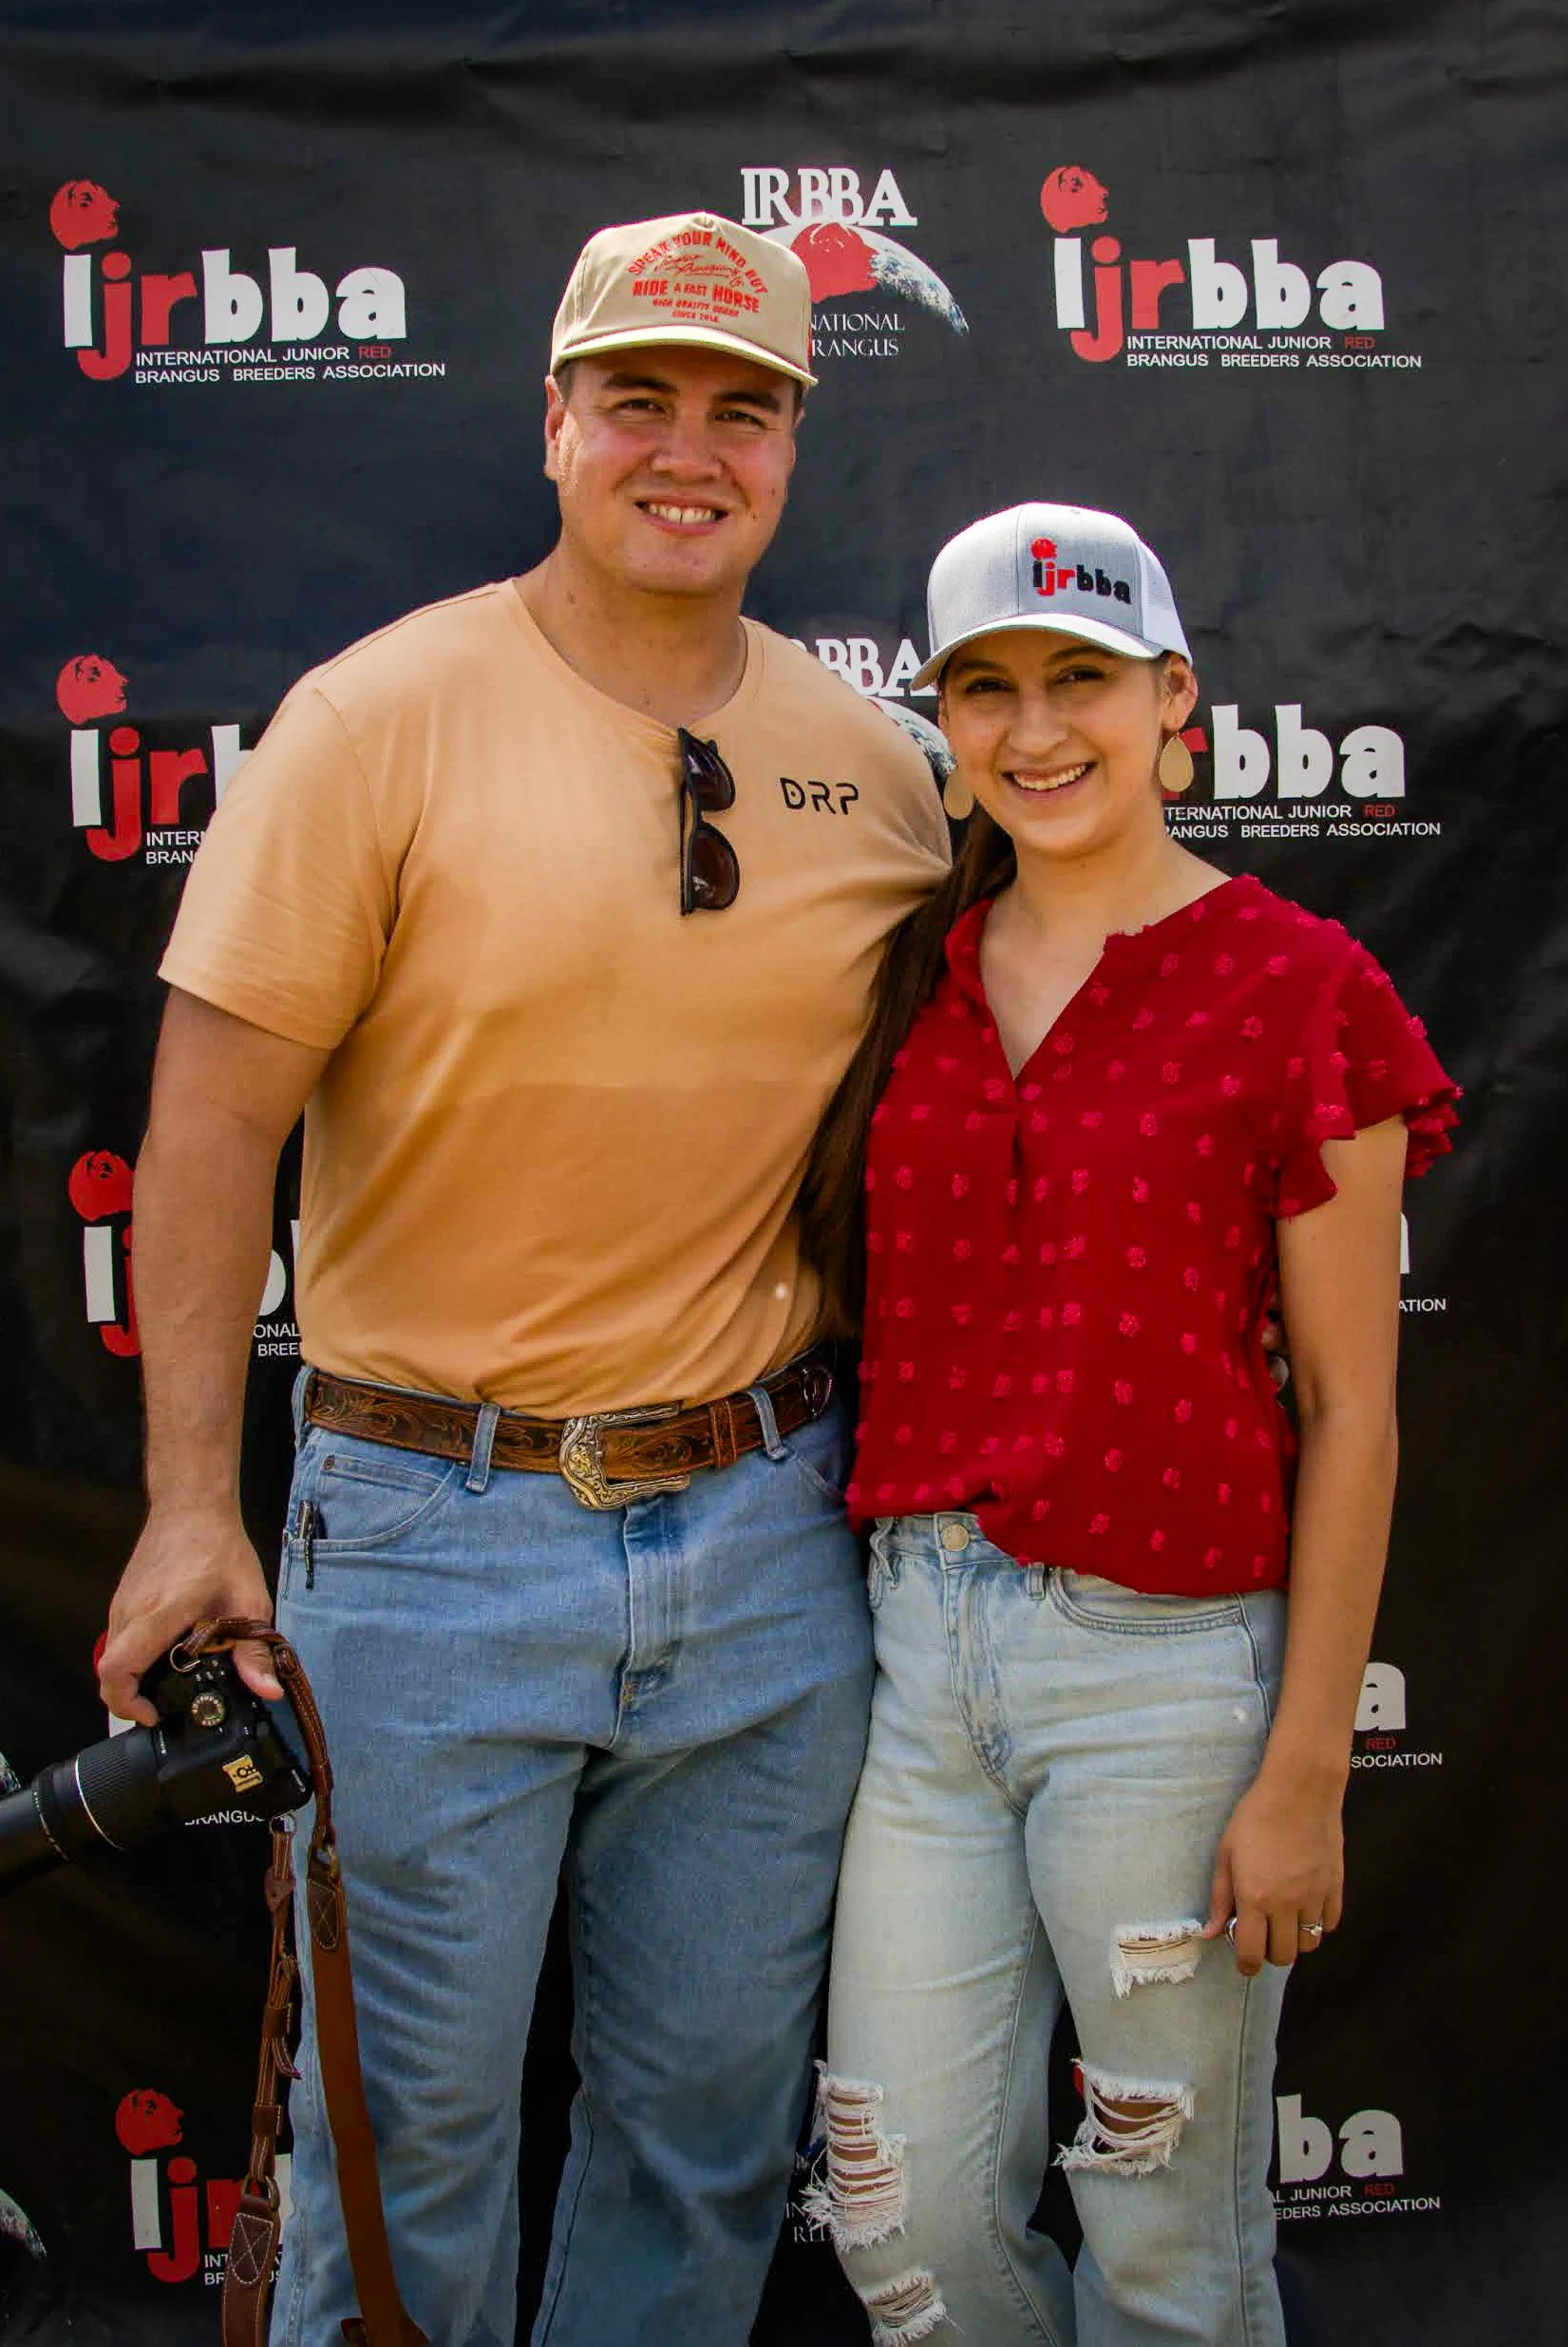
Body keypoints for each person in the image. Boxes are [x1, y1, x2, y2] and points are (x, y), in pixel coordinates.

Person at [94, 211, 948, 2347]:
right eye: (639, 396)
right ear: (555, 418)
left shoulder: (886, 773)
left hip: (773, 1532)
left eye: (740, 409)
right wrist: (195, 1503)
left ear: (791, 450)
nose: (690, 447)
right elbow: (206, 1133)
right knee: (403, 2159)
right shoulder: (376, 719)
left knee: (703, 2139)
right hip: (426, 1532)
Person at [797, 502, 1457, 2347]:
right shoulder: (897, 972)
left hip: (1165, 1677)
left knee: (1171, 2249)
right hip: (917, 1664)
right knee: (903, 2212)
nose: (1035, 727)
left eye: (1078, 676)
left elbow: (1351, 1407)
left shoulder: (1301, 986)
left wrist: (1307, 1763)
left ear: (1175, 694)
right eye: (987, 686)